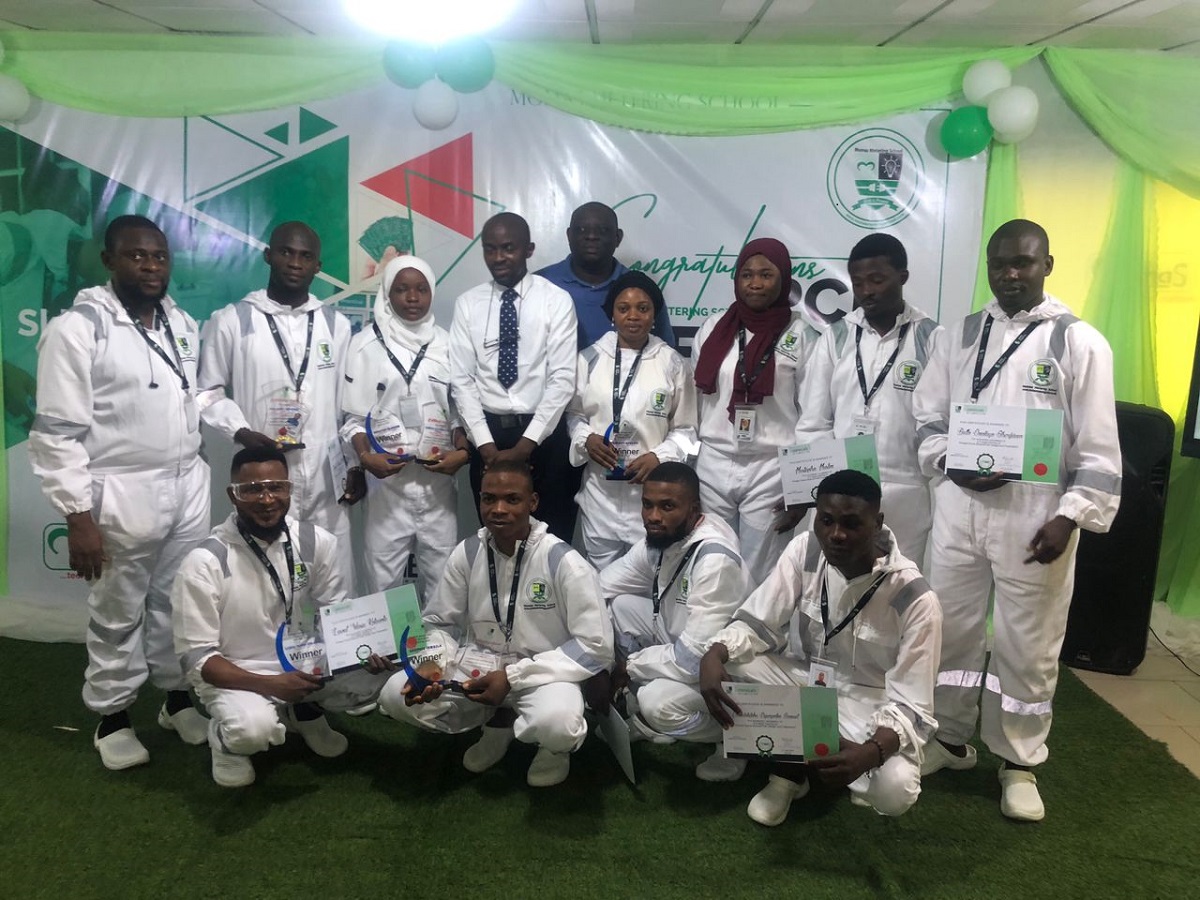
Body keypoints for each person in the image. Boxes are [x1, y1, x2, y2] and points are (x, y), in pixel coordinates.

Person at [912, 219, 1121, 822]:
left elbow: (1100, 452)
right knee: (948, 631)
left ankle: (1019, 761)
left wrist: (1070, 517)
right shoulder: (960, 335)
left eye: (1022, 263)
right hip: (960, 510)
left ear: (1047, 265)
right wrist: (952, 462)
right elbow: (927, 420)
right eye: (999, 262)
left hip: (1035, 520)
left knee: (1027, 644)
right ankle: (949, 739)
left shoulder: (1079, 343)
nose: (1009, 274)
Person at [29, 214, 211, 769]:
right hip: (121, 490)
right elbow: (57, 433)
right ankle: (112, 715)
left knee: (180, 602)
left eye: (159, 256)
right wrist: (77, 516)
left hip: (187, 484)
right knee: (117, 610)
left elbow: (192, 398)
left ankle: (177, 697)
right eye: (136, 256)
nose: (151, 266)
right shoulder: (78, 329)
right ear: (109, 261)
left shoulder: (180, 323)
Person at [697, 470, 941, 826]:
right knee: (734, 665)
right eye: (825, 521)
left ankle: (815, 762)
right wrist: (715, 651)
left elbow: (914, 705)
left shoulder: (916, 598)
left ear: (878, 523)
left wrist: (871, 754)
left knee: (895, 789)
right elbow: (759, 620)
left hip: (869, 706)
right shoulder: (805, 550)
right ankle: (790, 771)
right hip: (809, 684)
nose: (836, 535)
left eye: (851, 524)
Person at [377, 460, 613, 788]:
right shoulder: (468, 552)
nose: (498, 509)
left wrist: (513, 677)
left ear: (532, 503)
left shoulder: (563, 561)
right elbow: (438, 623)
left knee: (558, 723)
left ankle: (553, 750)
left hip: (540, 675)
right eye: (489, 499)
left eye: (511, 499)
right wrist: (431, 664)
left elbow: (595, 646)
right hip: (477, 668)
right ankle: (498, 726)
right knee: (395, 694)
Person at [171, 445, 388, 787]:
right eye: (252, 489)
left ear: (289, 488)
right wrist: (270, 684)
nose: (267, 498)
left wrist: (366, 651)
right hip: (238, 672)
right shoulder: (204, 562)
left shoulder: (317, 542)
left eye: (276, 486)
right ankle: (226, 742)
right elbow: (198, 660)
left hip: (302, 662)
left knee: (386, 675)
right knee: (252, 732)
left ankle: (306, 711)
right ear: (233, 495)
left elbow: (336, 615)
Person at [199, 221, 363, 590]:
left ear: (317, 266)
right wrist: (241, 432)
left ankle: (334, 647)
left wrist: (353, 463)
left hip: (325, 471)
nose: (294, 262)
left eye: (305, 256)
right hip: (263, 471)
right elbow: (206, 391)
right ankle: (265, 645)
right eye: (286, 252)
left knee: (331, 572)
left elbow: (348, 406)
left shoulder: (336, 325)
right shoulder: (233, 320)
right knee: (264, 571)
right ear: (268, 255)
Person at [597, 462, 750, 780]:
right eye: (647, 504)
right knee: (620, 606)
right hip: (682, 642)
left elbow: (692, 660)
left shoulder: (714, 560)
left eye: (667, 506)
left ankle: (735, 737)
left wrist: (628, 666)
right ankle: (638, 707)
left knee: (658, 704)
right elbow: (601, 587)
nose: (653, 516)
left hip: (722, 672)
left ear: (694, 509)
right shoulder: (664, 537)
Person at [797, 233, 942, 565]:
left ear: (902, 277)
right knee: (830, 589)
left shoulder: (932, 338)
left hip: (904, 489)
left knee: (896, 588)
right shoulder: (836, 337)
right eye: (858, 282)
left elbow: (938, 423)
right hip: (841, 493)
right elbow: (814, 422)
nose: (867, 291)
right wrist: (822, 487)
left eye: (877, 279)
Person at [341, 255, 469, 599]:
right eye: (402, 289)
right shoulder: (364, 345)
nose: (412, 298)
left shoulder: (447, 344)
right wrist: (365, 458)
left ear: (431, 293)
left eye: (421, 289)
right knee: (382, 579)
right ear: (387, 293)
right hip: (387, 484)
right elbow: (353, 419)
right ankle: (386, 652)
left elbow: (457, 412)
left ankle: (438, 650)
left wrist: (462, 451)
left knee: (443, 580)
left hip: (438, 482)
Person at [448, 212, 578, 543]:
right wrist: (486, 446)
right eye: (489, 249)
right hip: (487, 436)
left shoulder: (556, 301)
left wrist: (526, 445)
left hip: (544, 438)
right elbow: (462, 381)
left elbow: (562, 379)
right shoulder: (468, 304)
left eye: (508, 248)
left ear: (528, 249)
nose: (498, 258)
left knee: (551, 536)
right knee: (497, 536)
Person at [692, 237, 815, 585]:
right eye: (746, 274)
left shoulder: (804, 336)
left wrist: (802, 489)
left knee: (763, 574)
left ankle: (757, 641)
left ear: (785, 280)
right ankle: (712, 639)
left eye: (766, 274)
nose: (755, 283)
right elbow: (695, 403)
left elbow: (813, 418)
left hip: (771, 468)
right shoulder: (713, 329)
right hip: (713, 462)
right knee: (712, 565)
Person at [567, 271, 698, 568]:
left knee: (648, 582)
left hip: (651, 497)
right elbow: (573, 414)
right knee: (601, 584)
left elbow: (687, 429)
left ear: (655, 315)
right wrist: (586, 439)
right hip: (600, 495)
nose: (633, 316)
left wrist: (659, 456)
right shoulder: (588, 359)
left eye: (643, 308)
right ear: (612, 313)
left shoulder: (672, 362)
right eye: (623, 308)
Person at [537, 200, 675, 350]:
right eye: (582, 229)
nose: (591, 236)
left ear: (618, 237)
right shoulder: (540, 283)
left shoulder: (641, 290)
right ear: (569, 235)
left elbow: (665, 355)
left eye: (602, 230)